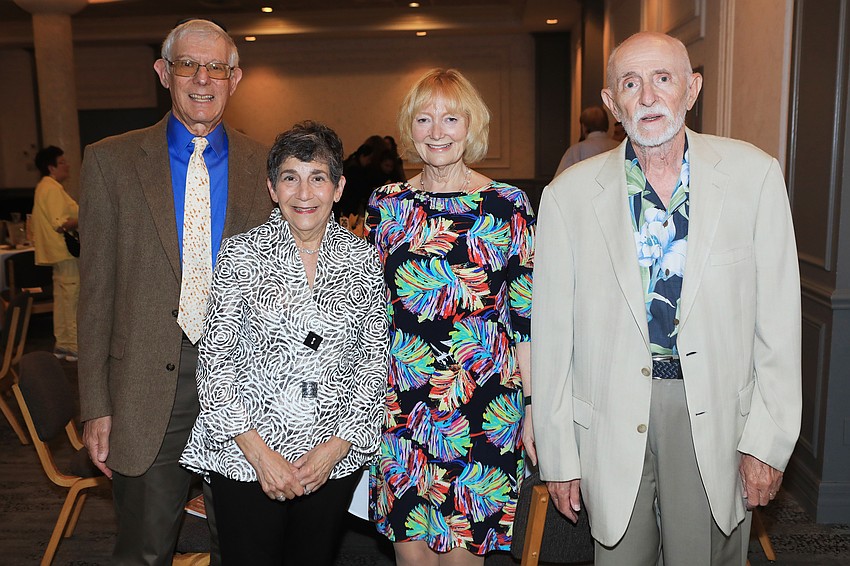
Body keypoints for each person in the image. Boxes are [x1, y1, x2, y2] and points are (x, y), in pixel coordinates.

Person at [532, 31, 801, 566]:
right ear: (612, 103)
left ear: (692, 89)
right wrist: (559, 456)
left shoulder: (754, 177)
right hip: (608, 416)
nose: (648, 96)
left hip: (716, 415)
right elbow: (552, 335)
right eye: (631, 83)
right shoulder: (567, 197)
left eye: (663, 79)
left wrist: (766, 442)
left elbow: (779, 323)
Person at [77, 19, 271, 565]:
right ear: (164, 73)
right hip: (144, 389)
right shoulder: (110, 162)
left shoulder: (268, 167)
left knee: (246, 551)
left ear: (236, 78)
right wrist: (96, 404)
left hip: (246, 390)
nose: (202, 79)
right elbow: (94, 294)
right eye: (188, 64)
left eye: (217, 68)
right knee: (144, 552)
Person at [180, 121, 389, 565]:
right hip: (246, 459)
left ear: (339, 187)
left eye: (318, 178)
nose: (304, 192)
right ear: (273, 189)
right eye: (290, 178)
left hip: (328, 462)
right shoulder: (241, 255)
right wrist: (261, 456)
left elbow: (372, 363)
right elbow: (216, 365)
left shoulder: (364, 260)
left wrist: (337, 448)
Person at [367, 68, 536, 566]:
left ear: (471, 126)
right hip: (401, 407)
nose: (437, 131)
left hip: (482, 404)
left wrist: (532, 406)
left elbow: (525, 317)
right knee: (411, 554)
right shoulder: (386, 205)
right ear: (409, 127)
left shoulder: (507, 206)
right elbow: (373, 309)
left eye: (450, 118)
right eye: (424, 118)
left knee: (463, 557)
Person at [31, 145, 79, 362]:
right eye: (61, 162)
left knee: (62, 300)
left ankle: (63, 345)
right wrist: (86, 215)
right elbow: (61, 223)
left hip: (57, 254)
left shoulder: (45, 187)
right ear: (51, 167)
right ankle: (74, 345)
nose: (66, 165)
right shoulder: (51, 188)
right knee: (71, 299)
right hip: (64, 252)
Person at [554, 105, 619, 176]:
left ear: (584, 127)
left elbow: (560, 179)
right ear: (607, 125)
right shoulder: (619, 146)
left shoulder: (575, 150)